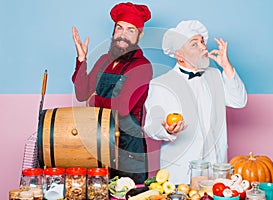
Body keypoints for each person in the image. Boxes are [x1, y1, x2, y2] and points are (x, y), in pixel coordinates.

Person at [144, 20, 247, 184]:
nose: (203, 48)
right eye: (194, 44)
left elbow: (239, 101)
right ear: (179, 55)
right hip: (180, 173)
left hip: (216, 170)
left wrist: (226, 67)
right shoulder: (161, 84)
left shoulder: (215, 75)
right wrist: (168, 131)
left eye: (202, 42)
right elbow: (151, 126)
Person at [71, 2, 152, 184]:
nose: (123, 35)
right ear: (114, 30)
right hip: (100, 143)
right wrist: (81, 60)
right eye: (119, 28)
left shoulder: (142, 66)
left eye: (131, 30)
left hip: (129, 150)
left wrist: (94, 101)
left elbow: (122, 107)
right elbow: (82, 93)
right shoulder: (103, 60)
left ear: (140, 35)